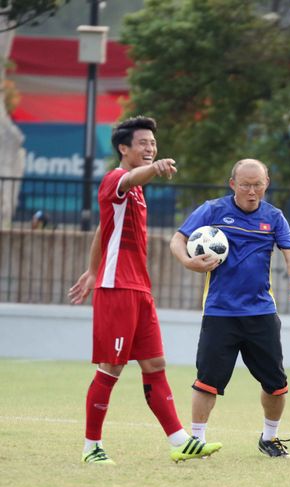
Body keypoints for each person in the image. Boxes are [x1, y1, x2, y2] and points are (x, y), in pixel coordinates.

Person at [68, 116, 222, 464]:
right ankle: (91, 447)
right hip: (118, 289)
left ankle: (181, 441)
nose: (150, 149)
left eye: (153, 144)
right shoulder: (117, 180)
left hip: (139, 289)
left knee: (155, 363)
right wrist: (156, 168)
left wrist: (92, 269)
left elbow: (101, 231)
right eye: (143, 143)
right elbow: (131, 177)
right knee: (111, 368)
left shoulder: (135, 192)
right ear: (124, 148)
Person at [169, 158, 290, 458]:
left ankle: (269, 438)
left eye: (258, 185)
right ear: (233, 184)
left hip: (261, 313)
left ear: (266, 183)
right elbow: (177, 240)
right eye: (245, 185)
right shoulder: (212, 211)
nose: (252, 191)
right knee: (207, 382)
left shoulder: (274, 217)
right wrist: (187, 261)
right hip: (220, 313)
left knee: (277, 385)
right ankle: (196, 440)